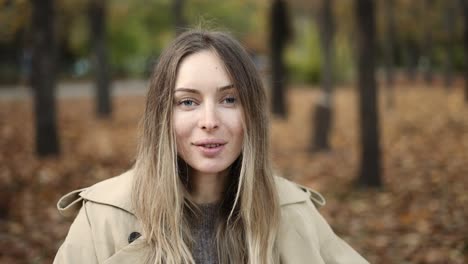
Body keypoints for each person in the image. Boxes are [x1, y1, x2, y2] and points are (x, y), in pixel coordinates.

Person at [53, 30, 368, 264]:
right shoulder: (104, 218)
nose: (209, 121)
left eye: (229, 99)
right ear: (162, 115)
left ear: (252, 114)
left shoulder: (292, 212)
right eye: (187, 102)